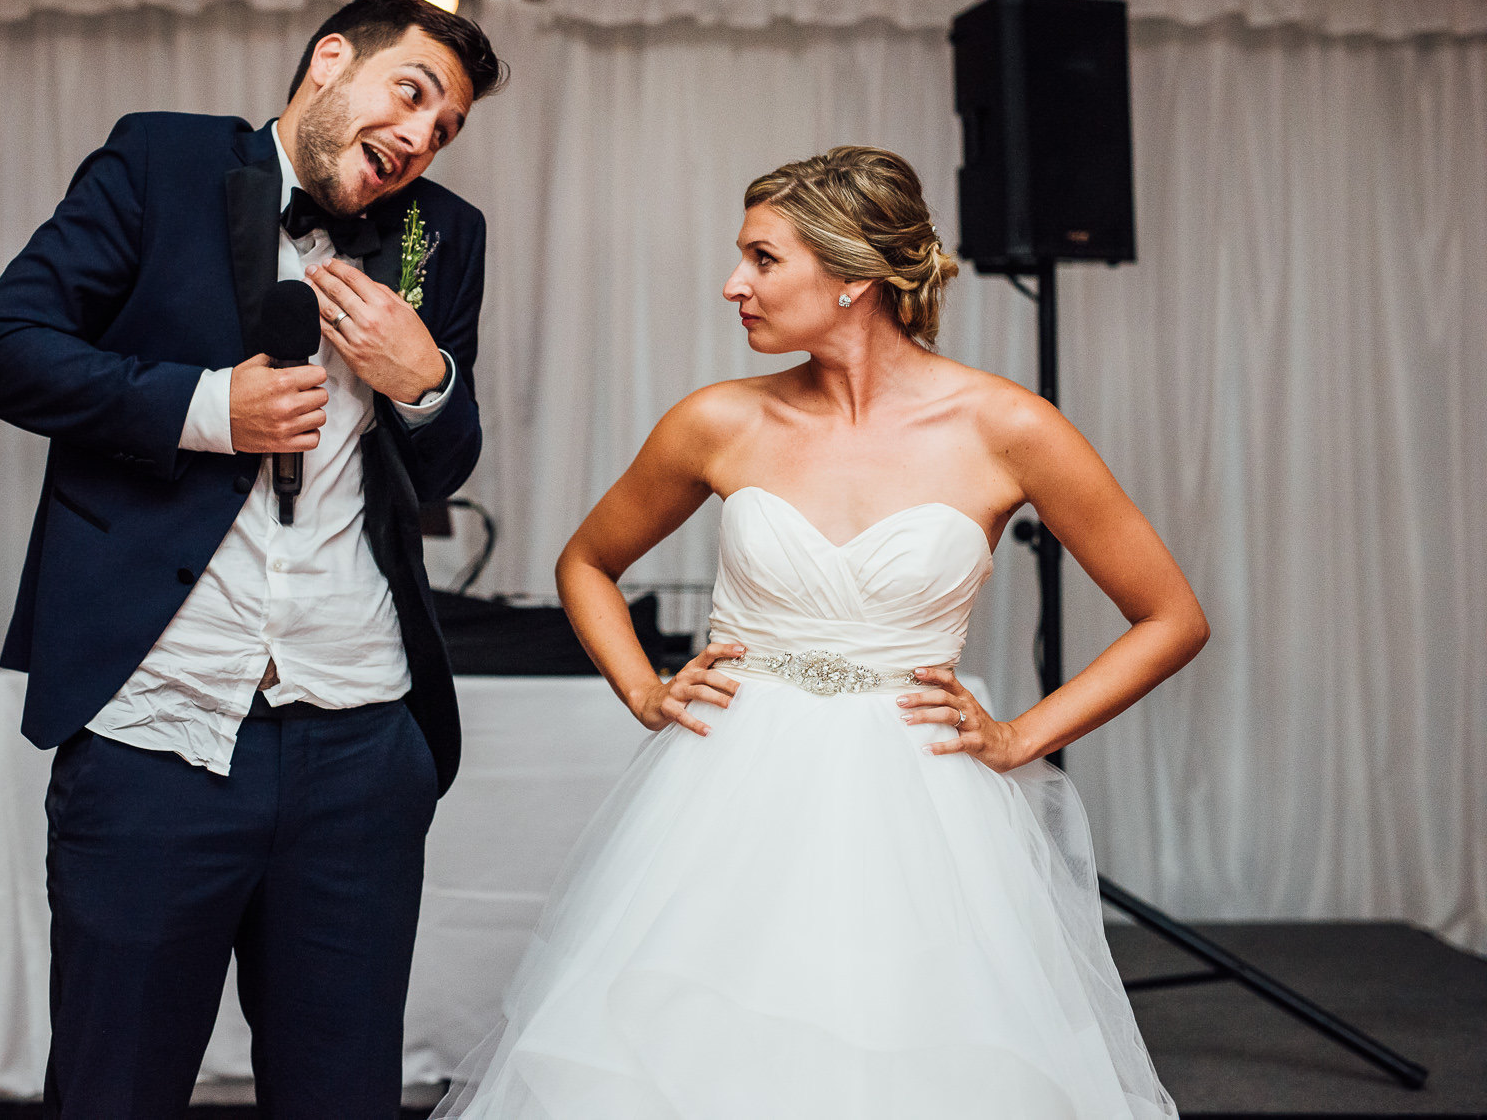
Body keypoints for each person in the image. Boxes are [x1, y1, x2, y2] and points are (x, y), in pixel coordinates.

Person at [437, 146, 1208, 1119]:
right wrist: (643, 689)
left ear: (853, 278)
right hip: (721, 800)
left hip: (921, 810)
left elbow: (1171, 617)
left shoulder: (1007, 429)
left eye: (762, 259)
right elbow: (585, 563)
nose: (733, 285)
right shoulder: (717, 421)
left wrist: (1020, 736)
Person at [0, 0, 505, 1120]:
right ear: (331, 59)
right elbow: (2, 350)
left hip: (359, 741)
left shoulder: (440, 235)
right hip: (158, 730)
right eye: (412, 93)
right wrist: (208, 408)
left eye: (446, 125)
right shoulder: (161, 161)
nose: (422, 134)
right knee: (114, 1089)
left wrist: (427, 383)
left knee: (342, 1095)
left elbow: (444, 468)